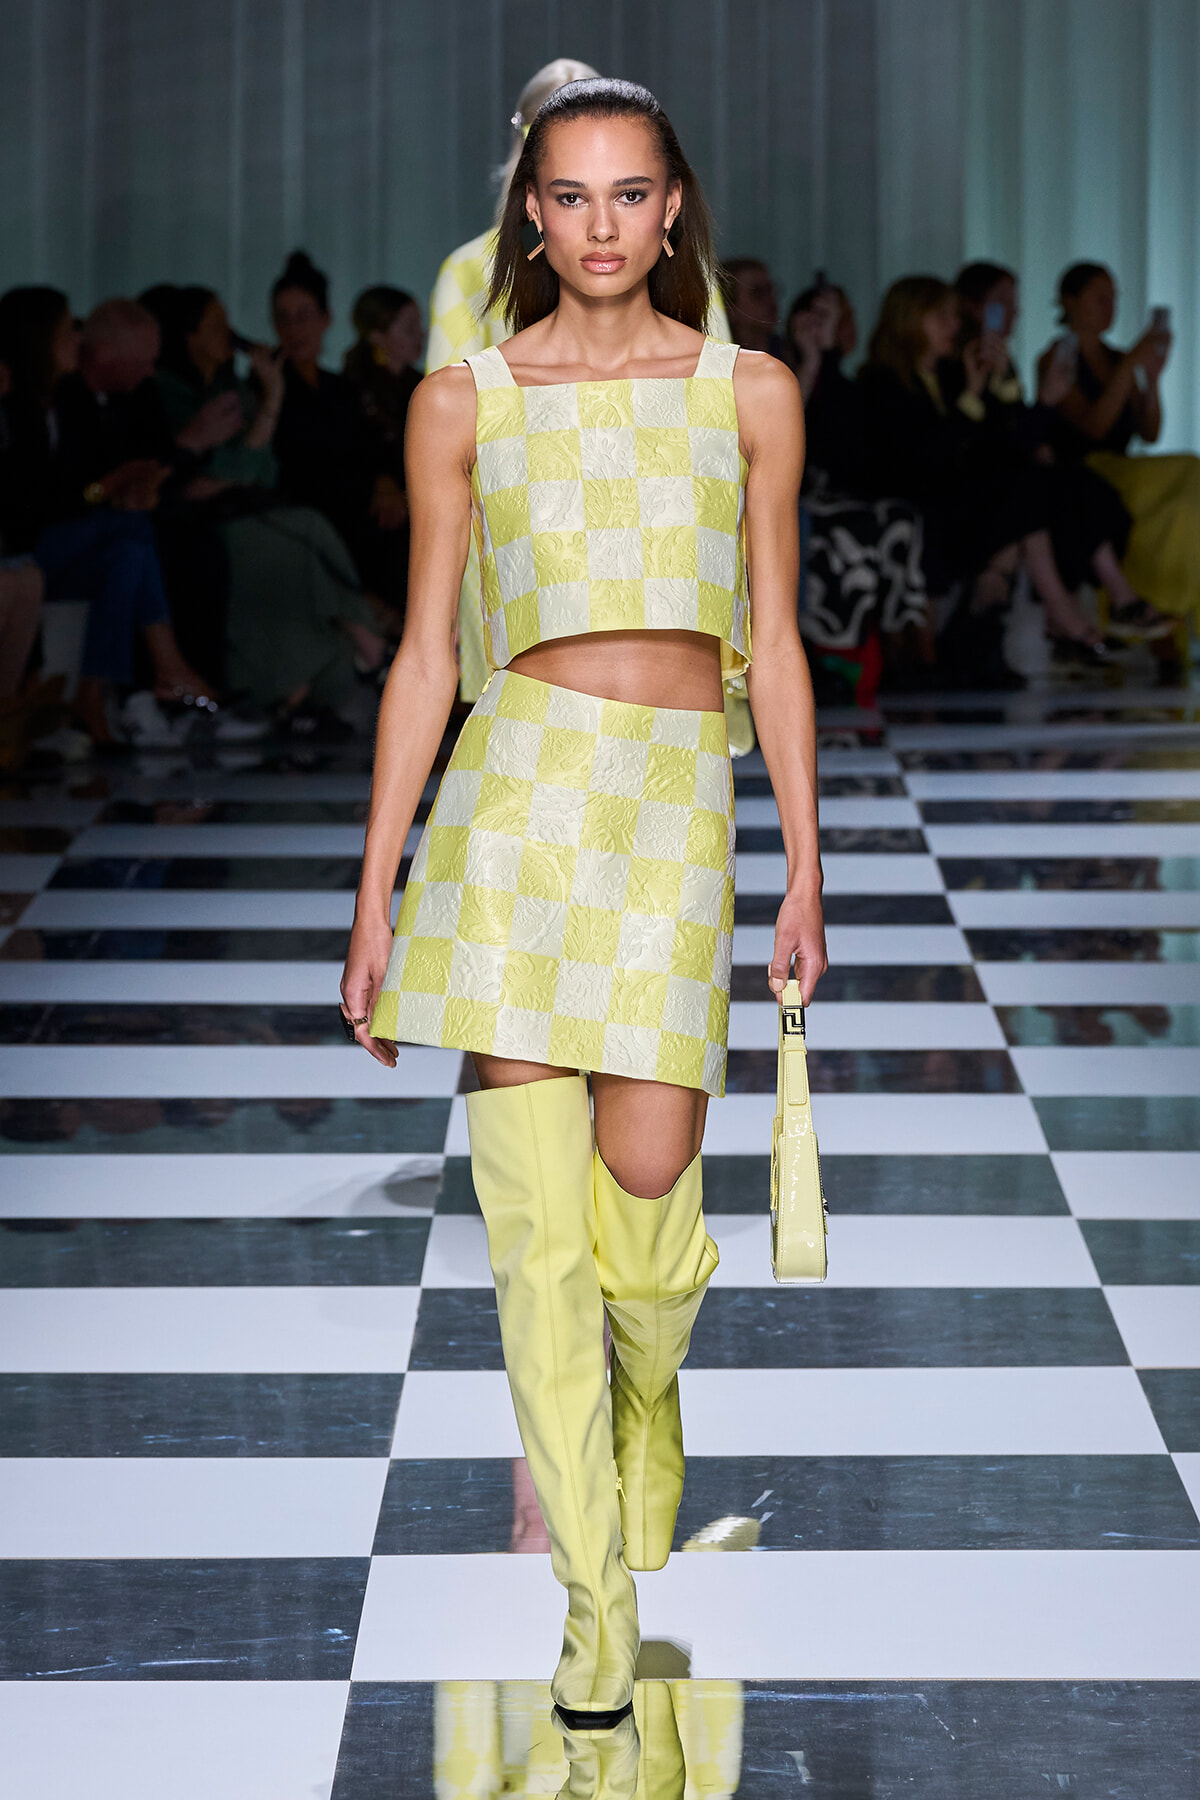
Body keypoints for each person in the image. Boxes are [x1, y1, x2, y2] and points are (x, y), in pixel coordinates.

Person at [340, 78, 825, 1746]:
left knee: (647, 1204)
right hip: (515, 814)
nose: (602, 223)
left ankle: (646, 1400)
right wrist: (377, 894)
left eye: (631, 193)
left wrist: (806, 859)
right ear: (530, 216)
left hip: (673, 815)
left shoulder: (749, 392)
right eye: (571, 195)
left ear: (672, 207)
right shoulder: (463, 403)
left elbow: (774, 637)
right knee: (535, 1235)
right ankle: (594, 1602)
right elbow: (424, 657)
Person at [426, 58, 734, 712]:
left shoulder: (471, 268)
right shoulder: (472, 271)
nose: (602, 222)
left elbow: (723, 412)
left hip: (634, 529)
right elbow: (446, 439)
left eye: (629, 192)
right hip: (541, 534)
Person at [148, 283, 387, 727]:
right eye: (216, 326)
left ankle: (334, 661)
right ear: (189, 336)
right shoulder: (170, 392)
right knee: (303, 530)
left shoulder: (231, 388)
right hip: (203, 520)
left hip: (246, 509)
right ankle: (364, 640)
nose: (229, 333)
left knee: (306, 530)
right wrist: (272, 400)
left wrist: (233, 464)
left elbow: (260, 469)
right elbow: (206, 478)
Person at [859, 276, 1106, 689]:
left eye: (953, 316)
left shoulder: (951, 374)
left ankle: (986, 631)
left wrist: (1006, 386)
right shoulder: (881, 382)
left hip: (957, 503)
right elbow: (924, 461)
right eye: (942, 317)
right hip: (919, 500)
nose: (955, 325)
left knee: (1026, 490)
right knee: (1022, 495)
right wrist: (972, 397)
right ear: (911, 321)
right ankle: (1043, 617)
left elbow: (1004, 446)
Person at [0, 290, 218, 743]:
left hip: (51, 543)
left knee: (128, 553)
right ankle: (164, 665)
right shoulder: (26, 407)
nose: (77, 337)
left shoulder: (63, 400)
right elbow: (33, 502)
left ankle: (94, 691)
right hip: (30, 542)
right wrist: (105, 489)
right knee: (133, 531)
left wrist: (122, 487)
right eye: (67, 330)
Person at [952, 260, 1139, 669]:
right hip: (970, 486)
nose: (1014, 312)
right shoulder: (961, 363)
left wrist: (1039, 404)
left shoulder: (1003, 364)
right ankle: (1072, 616)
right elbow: (972, 446)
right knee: (1039, 486)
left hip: (1001, 478)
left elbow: (1018, 437)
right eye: (1001, 302)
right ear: (972, 307)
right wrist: (999, 394)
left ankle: (1091, 607)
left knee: (1068, 480)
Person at [1042, 261, 1198, 669]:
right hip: (1084, 470)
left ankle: (1169, 611)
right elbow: (1092, 427)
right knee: (1186, 473)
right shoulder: (1059, 358)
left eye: (1113, 298)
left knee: (1189, 489)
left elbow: (1149, 431)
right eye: (1100, 298)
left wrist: (1152, 380)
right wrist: (1129, 368)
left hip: (1123, 466)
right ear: (1070, 302)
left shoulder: (1118, 358)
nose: (1109, 307)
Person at [786, 280, 930, 699]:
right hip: (798, 493)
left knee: (900, 517)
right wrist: (819, 359)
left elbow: (857, 455)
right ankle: (837, 650)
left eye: (844, 319)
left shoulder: (855, 386)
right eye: (827, 319)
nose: (839, 328)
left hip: (845, 493)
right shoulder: (775, 365)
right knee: (854, 524)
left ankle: (900, 645)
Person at [271, 250, 407, 625]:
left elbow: (372, 448)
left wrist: (385, 484)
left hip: (361, 508)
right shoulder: (269, 389)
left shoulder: (341, 388)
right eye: (284, 318)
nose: (294, 329)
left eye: (303, 316)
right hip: (314, 512)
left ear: (325, 319)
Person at [343, 286, 424, 625]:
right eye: (408, 328)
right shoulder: (352, 389)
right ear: (377, 336)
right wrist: (383, 484)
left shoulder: (421, 384)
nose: (420, 335)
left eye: (419, 325)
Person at [720, 258, 788, 360]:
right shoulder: (718, 358)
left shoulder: (791, 352)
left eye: (771, 290)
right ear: (729, 308)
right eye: (758, 293)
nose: (770, 300)